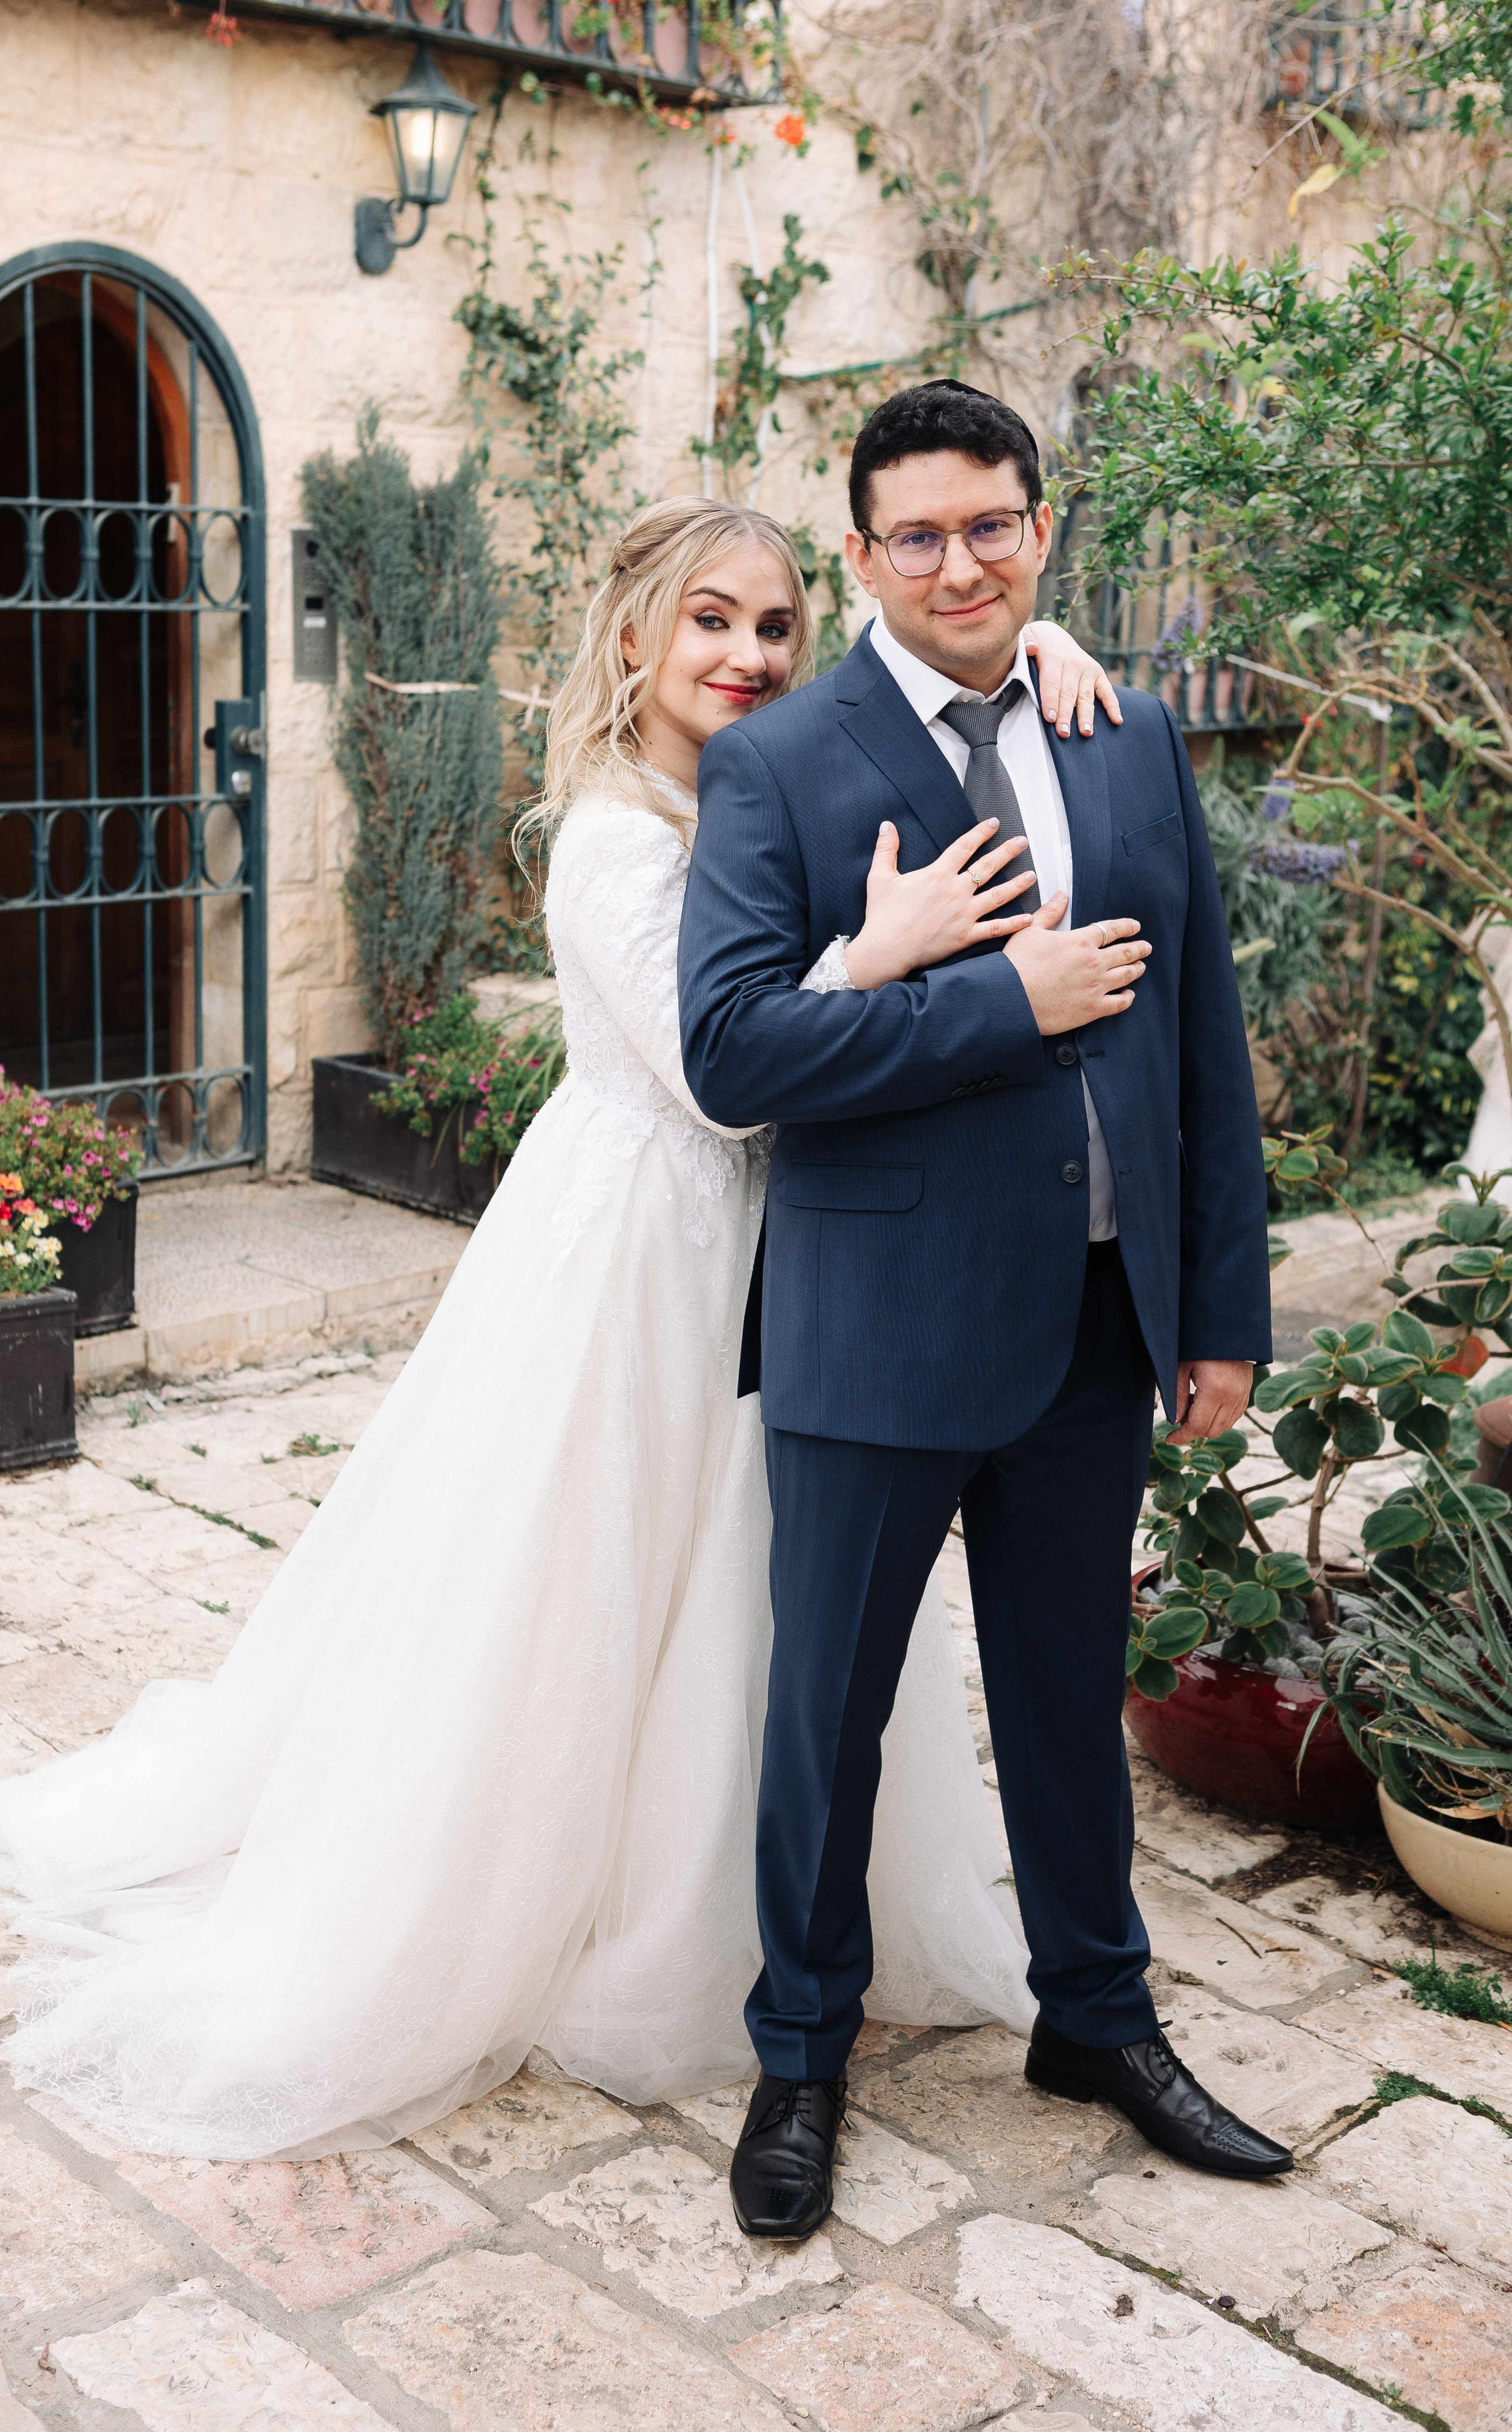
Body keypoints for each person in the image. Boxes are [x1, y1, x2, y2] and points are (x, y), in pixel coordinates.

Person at [0, 495, 1117, 2163]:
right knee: (588, 1564)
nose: (748, 654)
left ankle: (764, 1890)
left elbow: (936, 682)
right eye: (710, 620)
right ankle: (601, 1909)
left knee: (769, 1585)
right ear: (635, 635)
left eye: (775, 626)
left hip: (803, 1259)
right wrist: (883, 953)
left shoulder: (776, 783)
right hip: (644, 1243)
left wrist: (1040, 646)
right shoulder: (613, 836)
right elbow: (717, 1074)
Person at [677, 381, 1292, 2243]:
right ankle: (800, 2058)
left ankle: (1097, 2021)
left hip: (1097, 1330)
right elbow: (730, 1048)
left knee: (1059, 1699)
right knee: (828, 1719)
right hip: (878, 1334)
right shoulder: (783, 765)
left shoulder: (1126, 737)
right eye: (919, 534)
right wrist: (985, 1004)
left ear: (1042, 525)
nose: (964, 560)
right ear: (862, 557)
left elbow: (1199, 1041)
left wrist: (1220, 1309)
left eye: (995, 523)